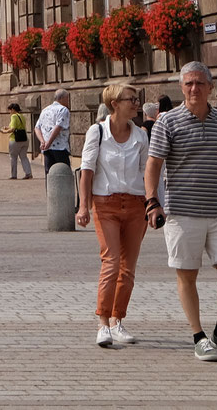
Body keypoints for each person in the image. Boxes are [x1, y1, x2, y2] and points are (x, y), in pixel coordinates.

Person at [143, 61, 217, 363]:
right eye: (189, 83)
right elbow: (153, 164)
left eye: (200, 83)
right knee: (187, 274)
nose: (194, 89)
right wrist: (152, 201)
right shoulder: (168, 122)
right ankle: (198, 336)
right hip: (182, 211)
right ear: (181, 87)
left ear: (210, 88)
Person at [75, 81, 149, 347]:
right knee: (111, 262)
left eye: (137, 98)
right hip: (105, 204)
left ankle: (118, 320)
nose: (136, 103)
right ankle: (103, 322)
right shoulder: (97, 132)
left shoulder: (141, 135)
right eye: (131, 99)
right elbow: (87, 170)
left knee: (127, 269)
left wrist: (154, 205)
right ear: (115, 103)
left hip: (135, 205)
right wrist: (84, 206)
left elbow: (147, 172)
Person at [36, 89, 73, 172]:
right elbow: (58, 127)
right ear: (62, 98)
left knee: (50, 174)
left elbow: (37, 127)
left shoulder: (45, 110)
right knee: (64, 173)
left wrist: (42, 141)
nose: (68, 101)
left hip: (46, 148)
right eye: (67, 98)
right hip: (60, 147)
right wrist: (49, 142)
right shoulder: (63, 110)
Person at [5, 102, 31, 180]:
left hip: (15, 140)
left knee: (13, 157)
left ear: (13, 109)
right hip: (24, 139)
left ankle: (14, 175)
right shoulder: (22, 116)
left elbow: (12, 128)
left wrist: (5, 131)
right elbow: (17, 126)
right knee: (24, 157)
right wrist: (7, 127)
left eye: (10, 110)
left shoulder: (14, 116)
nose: (9, 112)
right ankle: (28, 173)